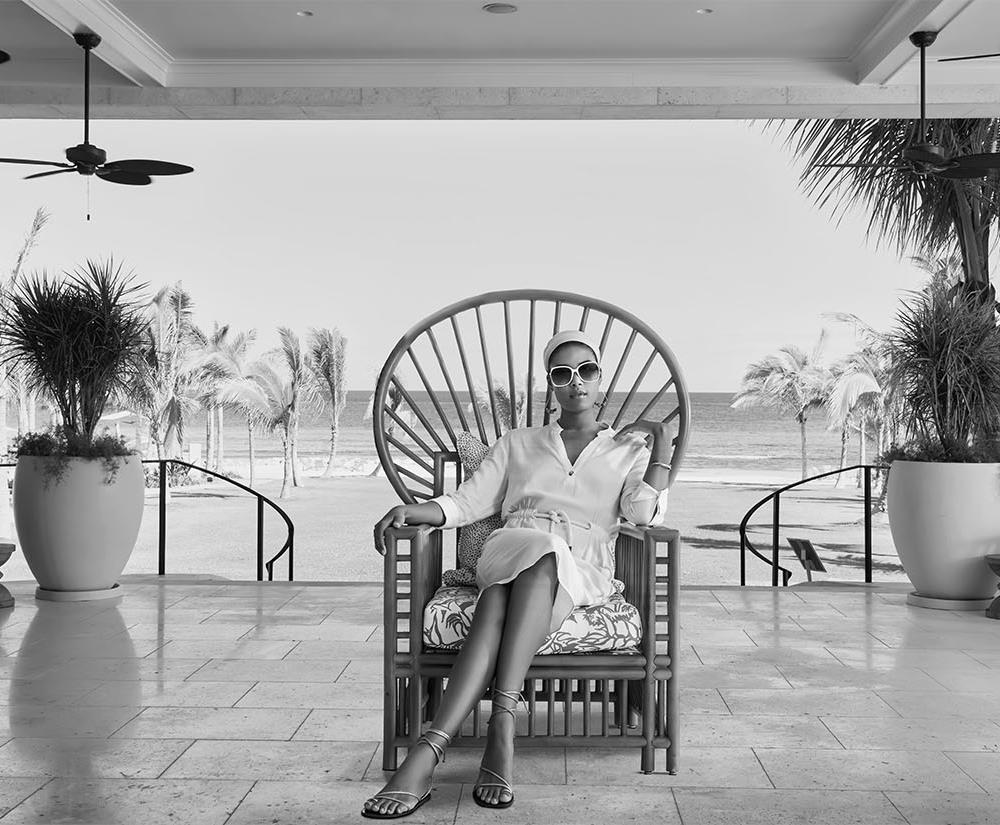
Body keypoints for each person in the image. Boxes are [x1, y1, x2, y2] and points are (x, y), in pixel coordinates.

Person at [362, 329, 672, 819]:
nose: (576, 383)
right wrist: (414, 510)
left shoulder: (625, 450)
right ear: (551, 385)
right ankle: (501, 726)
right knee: (540, 548)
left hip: (583, 568)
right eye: (562, 374)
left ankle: (430, 749)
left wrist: (660, 440)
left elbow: (642, 514)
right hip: (510, 546)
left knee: (502, 597)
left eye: (586, 371)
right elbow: (468, 503)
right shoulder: (519, 442)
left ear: (599, 378)